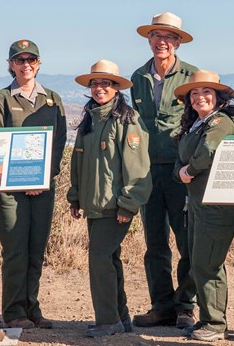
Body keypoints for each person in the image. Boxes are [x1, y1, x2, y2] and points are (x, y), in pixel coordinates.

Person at [67, 60, 152, 338]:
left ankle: (107, 321)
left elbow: (137, 167)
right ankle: (121, 317)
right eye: (95, 83)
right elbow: (77, 162)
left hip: (115, 206)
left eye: (106, 83)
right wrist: (75, 197)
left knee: (99, 259)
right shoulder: (90, 119)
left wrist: (129, 204)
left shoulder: (127, 120)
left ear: (116, 88)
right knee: (110, 259)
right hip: (94, 205)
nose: (99, 88)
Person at [0, 39, 67, 330]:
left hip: (43, 187)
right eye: (19, 60)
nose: (26, 65)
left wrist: (42, 179)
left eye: (31, 60)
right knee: (16, 249)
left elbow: (58, 143)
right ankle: (13, 310)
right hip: (10, 190)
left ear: (39, 63)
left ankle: (33, 307)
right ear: (11, 65)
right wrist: (24, 180)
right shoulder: (1, 100)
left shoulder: (53, 99)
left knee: (36, 249)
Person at [130, 11, 198, 329]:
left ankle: (186, 306)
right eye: (157, 36)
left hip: (181, 171)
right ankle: (162, 306)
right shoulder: (137, 78)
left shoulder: (193, 76)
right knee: (154, 243)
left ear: (178, 42)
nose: (162, 42)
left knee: (186, 241)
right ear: (149, 39)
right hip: (147, 172)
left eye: (169, 37)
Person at [172, 70, 234, 342]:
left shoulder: (220, 122)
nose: (199, 97)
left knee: (209, 263)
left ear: (218, 97)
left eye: (206, 92)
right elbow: (180, 158)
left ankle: (214, 323)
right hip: (198, 202)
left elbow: (208, 152)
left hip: (217, 203)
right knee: (198, 261)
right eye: (194, 93)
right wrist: (181, 171)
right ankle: (206, 319)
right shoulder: (197, 125)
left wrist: (188, 168)